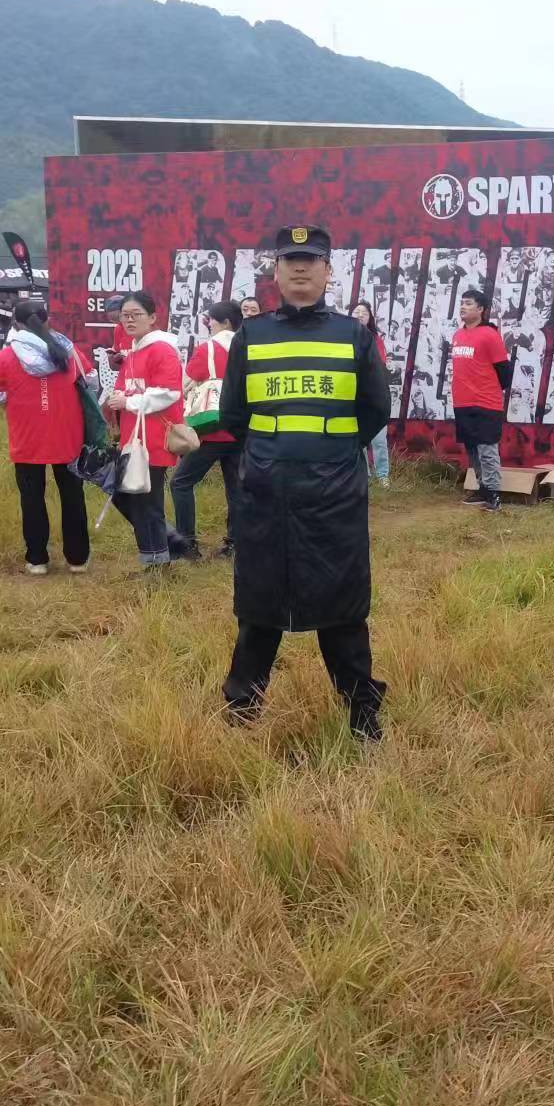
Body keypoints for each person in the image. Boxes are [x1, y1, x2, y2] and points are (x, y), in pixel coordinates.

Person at [218, 224, 392, 738]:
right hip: (265, 496)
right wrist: (272, 458)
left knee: (343, 610)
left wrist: (329, 456)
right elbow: (233, 415)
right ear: (275, 272)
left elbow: (375, 409)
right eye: (290, 259)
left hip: (334, 497)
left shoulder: (353, 335)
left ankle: (363, 718)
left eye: (311, 259)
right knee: (259, 608)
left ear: (328, 271)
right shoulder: (251, 335)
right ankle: (241, 712)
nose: (300, 267)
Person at [0, 302, 91, 575]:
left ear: (16, 324)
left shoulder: (5, 357)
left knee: (31, 498)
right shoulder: (69, 352)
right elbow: (89, 382)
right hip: (67, 435)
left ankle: (37, 560)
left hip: (27, 437)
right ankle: (77, 559)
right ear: (48, 320)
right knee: (72, 496)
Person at [105, 291, 188, 569]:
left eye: (136, 315)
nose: (129, 320)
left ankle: (159, 562)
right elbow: (122, 387)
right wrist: (118, 398)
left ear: (152, 317)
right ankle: (159, 553)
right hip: (134, 438)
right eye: (124, 316)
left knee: (147, 503)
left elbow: (168, 393)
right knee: (134, 499)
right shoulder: (133, 351)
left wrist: (128, 401)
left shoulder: (161, 349)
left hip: (153, 438)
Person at [170, 300, 244, 559]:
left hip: (212, 428)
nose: (208, 324)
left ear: (224, 322)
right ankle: (235, 544)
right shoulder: (248, 347)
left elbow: (188, 379)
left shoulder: (208, 349)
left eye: (210, 320)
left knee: (180, 482)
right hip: (241, 430)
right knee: (236, 489)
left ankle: (187, 544)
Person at [450, 288, 510, 510]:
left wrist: (486, 389)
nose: (463, 307)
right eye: (462, 303)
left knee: (487, 449)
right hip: (462, 402)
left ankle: (493, 493)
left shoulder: (490, 335)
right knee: (472, 448)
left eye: (468, 303)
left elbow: (504, 372)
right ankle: (482, 488)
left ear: (481, 309)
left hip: (486, 402)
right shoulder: (458, 335)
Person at [351, 300, 390, 484]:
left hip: (374, 395)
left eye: (364, 313)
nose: (360, 315)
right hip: (352, 395)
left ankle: (383, 476)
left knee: (379, 439)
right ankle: (364, 475)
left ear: (370, 318)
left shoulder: (375, 340)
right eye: (356, 311)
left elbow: (379, 367)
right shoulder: (343, 339)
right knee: (359, 439)